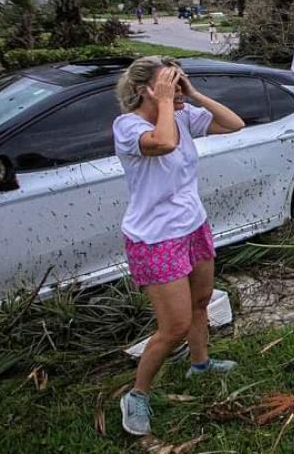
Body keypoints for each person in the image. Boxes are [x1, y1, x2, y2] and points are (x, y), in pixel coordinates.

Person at [113, 56, 245, 436]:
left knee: (202, 302)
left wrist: (193, 93)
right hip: (155, 238)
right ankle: (137, 396)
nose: (176, 86)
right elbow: (165, 143)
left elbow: (234, 123)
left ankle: (200, 363)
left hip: (192, 226)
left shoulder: (183, 115)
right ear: (144, 91)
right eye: (168, 81)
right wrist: (168, 102)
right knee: (174, 326)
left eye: (178, 80)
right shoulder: (128, 126)